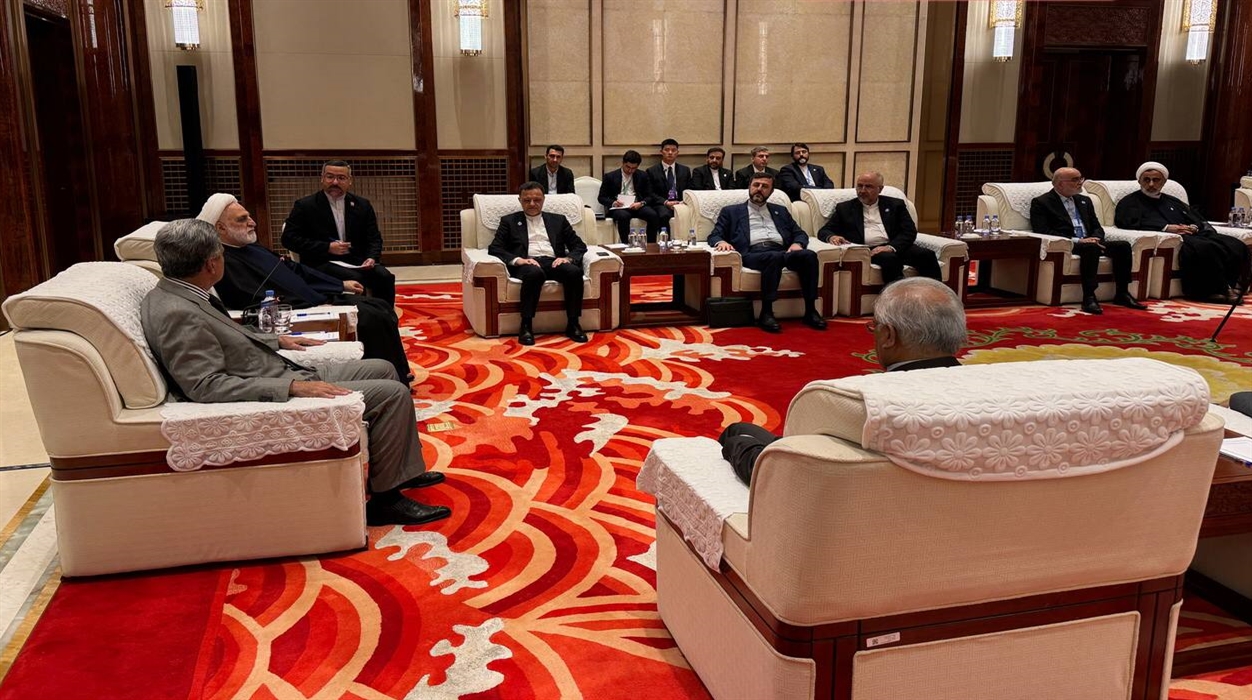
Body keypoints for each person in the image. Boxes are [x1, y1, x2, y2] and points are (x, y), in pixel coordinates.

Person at [140, 219, 450, 526]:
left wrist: (275, 340)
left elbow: (222, 335)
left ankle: (401, 470)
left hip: (275, 367)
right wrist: (292, 388)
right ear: (211, 264)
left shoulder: (182, 291)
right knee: (393, 394)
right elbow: (205, 385)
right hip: (275, 383)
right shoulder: (178, 312)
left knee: (383, 367)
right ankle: (387, 500)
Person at [719, 277, 965, 485]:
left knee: (735, 436)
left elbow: (786, 473)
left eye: (875, 327)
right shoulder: (981, 388)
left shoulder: (850, 402)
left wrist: (736, 447)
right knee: (740, 429)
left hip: (840, 496)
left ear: (889, 335)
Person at [197, 193, 413, 384]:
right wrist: (315, 302)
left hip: (314, 298)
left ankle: (399, 371)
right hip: (299, 308)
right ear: (220, 228)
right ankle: (386, 377)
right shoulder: (223, 260)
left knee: (381, 306)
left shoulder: (251, 247)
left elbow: (295, 269)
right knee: (372, 317)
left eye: (249, 216)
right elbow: (250, 298)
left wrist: (339, 285)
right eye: (242, 219)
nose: (252, 223)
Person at [707, 172, 826, 333]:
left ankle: (811, 311)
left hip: (783, 251)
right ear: (749, 187)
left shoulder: (780, 211)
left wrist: (797, 243)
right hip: (753, 253)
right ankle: (767, 312)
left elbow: (799, 233)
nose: (759, 189)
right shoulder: (731, 211)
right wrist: (721, 242)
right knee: (773, 257)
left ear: (771, 191)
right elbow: (715, 235)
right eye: (756, 185)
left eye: (764, 187)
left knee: (809, 256)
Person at [1114, 161, 1248, 304]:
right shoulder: (1130, 202)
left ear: (1164, 182)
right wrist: (1166, 227)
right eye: (1146, 180)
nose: (1151, 184)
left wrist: (1193, 227)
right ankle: (1217, 290)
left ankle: (1233, 285)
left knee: (1235, 244)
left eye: (1156, 180)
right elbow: (1126, 222)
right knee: (1205, 248)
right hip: (1177, 237)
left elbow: (1195, 218)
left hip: (1193, 235)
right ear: (1139, 181)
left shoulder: (1172, 201)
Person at [1030, 167, 1147, 314]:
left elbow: (1097, 226)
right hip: (1068, 243)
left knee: (1122, 246)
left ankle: (1122, 293)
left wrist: (1097, 238)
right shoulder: (1042, 202)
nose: (1080, 183)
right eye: (1075, 180)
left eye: (1081, 178)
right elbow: (1042, 230)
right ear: (1060, 184)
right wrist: (1079, 241)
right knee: (1090, 248)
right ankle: (1089, 296)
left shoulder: (1084, 200)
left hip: (1092, 242)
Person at [280, 160, 396, 307]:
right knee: (356, 278)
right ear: (322, 178)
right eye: (330, 177)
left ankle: (385, 315)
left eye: (341, 178)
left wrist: (371, 258)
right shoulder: (305, 206)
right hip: (321, 261)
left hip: (356, 262)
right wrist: (327, 247)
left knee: (385, 276)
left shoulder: (362, 205)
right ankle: (363, 317)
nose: (335, 182)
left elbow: (374, 238)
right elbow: (288, 239)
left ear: (350, 181)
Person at [488, 182, 589, 346]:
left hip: (553, 261)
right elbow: (495, 248)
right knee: (535, 274)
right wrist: (518, 260)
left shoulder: (558, 220)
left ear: (543, 199)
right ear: (520, 200)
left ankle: (573, 324)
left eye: (537, 200)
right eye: (527, 200)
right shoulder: (509, 221)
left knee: (573, 272)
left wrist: (568, 258)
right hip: (527, 263)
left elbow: (579, 246)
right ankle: (526, 325)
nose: (532, 204)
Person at [819, 171, 941, 286]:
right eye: (859, 186)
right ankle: (898, 295)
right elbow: (824, 230)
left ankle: (937, 293)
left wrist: (891, 247)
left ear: (880, 189)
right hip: (870, 250)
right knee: (889, 259)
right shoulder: (845, 208)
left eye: (868, 186)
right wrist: (832, 236)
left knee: (926, 254)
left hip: (895, 246)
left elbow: (909, 231)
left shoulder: (895, 205)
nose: (862, 190)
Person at [598, 150, 659, 243]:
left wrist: (641, 203)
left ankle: (651, 244)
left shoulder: (643, 175)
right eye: (628, 167)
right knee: (623, 216)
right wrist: (613, 202)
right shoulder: (610, 176)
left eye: (634, 168)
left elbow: (650, 196)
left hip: (637, 206)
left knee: (652, 215)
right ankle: (626, 244)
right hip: (619, 208)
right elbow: (601, 197)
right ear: (623, 163)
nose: (630, 170)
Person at [644, 138, 692, 232]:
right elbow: (650, 193)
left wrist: (682, 202)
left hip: (681, 203)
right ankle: (666, 239)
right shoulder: (651, 171)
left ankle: (686, 239)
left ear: (677, 152)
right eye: (667, 150)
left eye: (673, 150)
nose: (670, 153)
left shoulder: (685, 170)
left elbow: (689, 189)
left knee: (690, 213)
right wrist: (666, 202)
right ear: (661, 152)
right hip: (662, 204)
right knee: (664, 214)